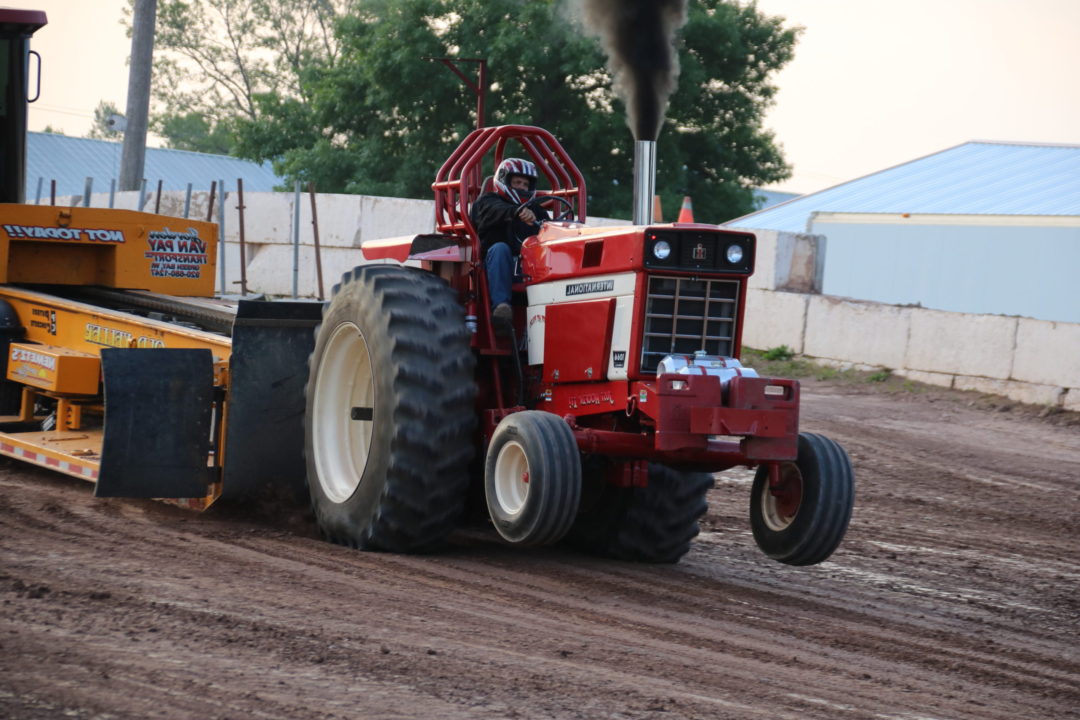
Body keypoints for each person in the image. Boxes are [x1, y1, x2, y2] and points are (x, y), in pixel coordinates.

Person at [469, 158, 549, 327]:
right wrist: (517, 212)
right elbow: (493, 211)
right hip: (494, 269)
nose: (522, 187)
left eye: (526, 184)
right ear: (504, 181)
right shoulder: (487, 201)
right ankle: (501, 309)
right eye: (517, 182)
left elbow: (551, 229)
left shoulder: (537, 211)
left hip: (529, 271)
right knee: (500, 248)